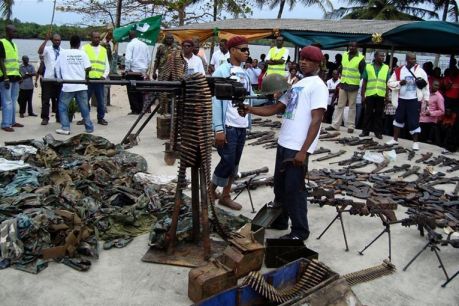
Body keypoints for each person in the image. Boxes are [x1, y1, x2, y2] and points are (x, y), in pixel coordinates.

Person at [238, 46, 328, 240]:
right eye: (302, 59)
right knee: (280, 186)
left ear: (318, 64)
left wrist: (304, 151)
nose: (303, 62)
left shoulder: (318, 86)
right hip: (284, 143)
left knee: (295, 189)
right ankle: (280, 220)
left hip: (298, 147)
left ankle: (299, 231)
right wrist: (249, 110)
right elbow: (275, 108)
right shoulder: (297, 84)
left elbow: (316, 120)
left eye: (308, 60)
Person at [210, 35, 257, 211]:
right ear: (232, 50)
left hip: (241, 125)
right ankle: (210, 190)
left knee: (235, 162)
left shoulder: (245, 72)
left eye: (248, 49)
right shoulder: (222, 72)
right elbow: (215, 102)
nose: (247, 53)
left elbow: (249, 98)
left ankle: (225, 195)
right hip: (228, 125)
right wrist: (218, 129)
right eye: (243, 49)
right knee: (228, 161)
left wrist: (269, 97)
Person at [386, 52, 429, 151]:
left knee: (414, 121)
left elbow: (426, 86)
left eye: (414, 59)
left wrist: (426, 99)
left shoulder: (420, 71)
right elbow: (389, 83)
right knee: (398, 119)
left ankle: (415, 143)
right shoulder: (399, 70)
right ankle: (395, 139)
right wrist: (400, 83)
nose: (413, 61)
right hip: (401, 99)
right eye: (411, 59)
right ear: (406, 59)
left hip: (414, 100)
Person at [54, 35, 93, 135]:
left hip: (68, 85)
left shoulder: (63, 53)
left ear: (70, 43)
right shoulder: (82, 53)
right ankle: (89, 128)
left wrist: (59, 78)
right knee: (84, 107)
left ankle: (65, 128)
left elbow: (56, 67)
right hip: (81, 85)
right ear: (79, 44)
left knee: (62, 107)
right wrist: (86, 77)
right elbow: (88, 67)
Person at [326, 42, 365, 133]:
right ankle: (335, 125)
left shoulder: (361, 58)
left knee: (352, 106)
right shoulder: (344, 55)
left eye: (353, 46)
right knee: (340, 105)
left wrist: (358, 80)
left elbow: (363, 72)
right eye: (350, 46)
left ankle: (351, 126)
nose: (351, 47)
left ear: (357, 47)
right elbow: (342, 67)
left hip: (353, 85)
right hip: (343, 84)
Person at [81, 31, 109, 126]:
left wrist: (104, 76)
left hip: (99, 80)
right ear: (91, 38)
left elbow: (106, 65)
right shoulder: (84, 48)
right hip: (88, 80)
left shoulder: (103, 50)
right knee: (85, 100)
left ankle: (100, 118)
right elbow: (81, 63)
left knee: (101, 101)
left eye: (98, 38)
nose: (97, 39)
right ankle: (85, 118)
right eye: (95, 37)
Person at [359, 50, 390, 139]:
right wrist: (362, 95)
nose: (383, 58)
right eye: (381, 56)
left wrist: (387, 96)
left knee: (379, 114)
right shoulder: (368, 66)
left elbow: (387, 82)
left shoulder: (386, 67)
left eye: (383, 56)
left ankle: (378, 132)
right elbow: (364, 81)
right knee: (367, 113)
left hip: (380, 94)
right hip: (370, 93)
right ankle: (365, 131)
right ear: (375, 57)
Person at [1, 24, 23, 132]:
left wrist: (19, 75)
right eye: (13, 31)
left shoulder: (14, 44)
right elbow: (1, 61)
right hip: (6, 78)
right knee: (7, 101)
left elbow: (15, 62)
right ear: (7, 32)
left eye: (15, 31)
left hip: (15, 77)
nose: (15, 33)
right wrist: (5, 77)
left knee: (14, 100)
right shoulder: (2, 43)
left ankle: (12, 121)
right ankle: (5, 124)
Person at [38, 33, 63, 125]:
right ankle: (45, 118)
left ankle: (59, 117)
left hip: (59, 79)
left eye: (59, 40)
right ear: (52, 40)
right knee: (45, 100)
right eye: (55, 40)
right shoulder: (47, 49)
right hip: (48, 79)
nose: (57, 42)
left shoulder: (63, 51)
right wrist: (45, 40)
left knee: (59, 99)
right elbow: (40, 52)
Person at [124, 30, 150, 115]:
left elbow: (128, 59)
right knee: (140, 91)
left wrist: (127, 70)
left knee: (132, 92)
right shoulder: (144, 45)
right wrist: (145, 70)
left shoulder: (130, 44)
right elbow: (149, 59)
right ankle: (140, 109)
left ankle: (135, 110)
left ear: (129, 36)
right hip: (142, 72)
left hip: (133, 72)